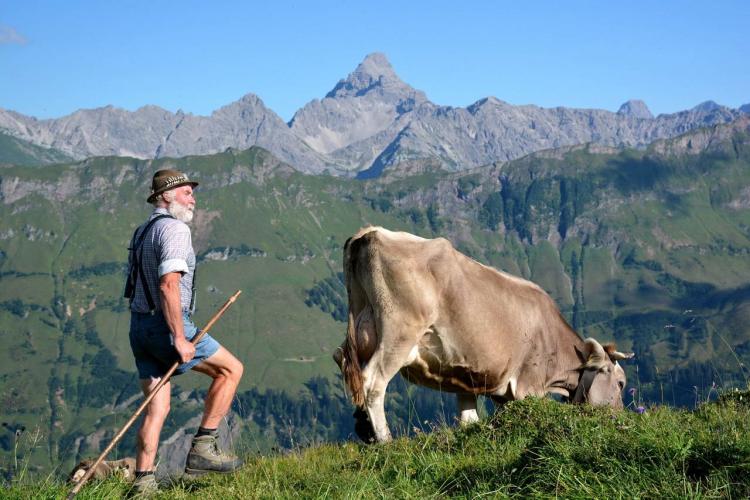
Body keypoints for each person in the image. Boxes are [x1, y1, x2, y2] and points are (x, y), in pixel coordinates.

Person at [124, 169, 244, 494]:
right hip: (167, 326)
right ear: (166, 196)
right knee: (231, 370)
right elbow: (168, 283)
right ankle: (203, 449)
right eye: (186, 193)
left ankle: (143, 483)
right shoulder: (175, 229)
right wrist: (178, 336)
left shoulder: (142, 231)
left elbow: (133, 287)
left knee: (157, 408)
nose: (193, 199)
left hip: (139, 327)